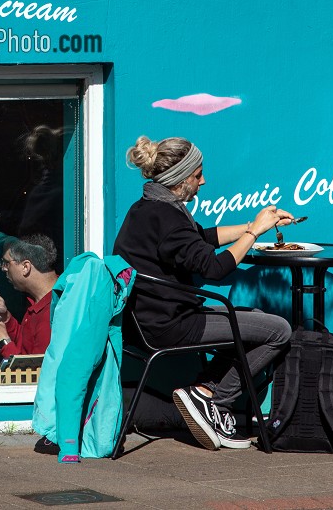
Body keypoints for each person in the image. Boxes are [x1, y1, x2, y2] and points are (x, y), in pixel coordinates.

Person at [112, 135, 294, 451]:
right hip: (171, 325)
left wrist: (255, 223)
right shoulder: (168, 217)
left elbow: (202, 238)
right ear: (181, 179)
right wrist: (254, 232)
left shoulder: (148, 207)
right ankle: (211, 398)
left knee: (253, 320)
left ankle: (206, 394)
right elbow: (213, 268)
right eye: (198, 174)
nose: (203, 180)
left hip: (147, 321)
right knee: (278, 330)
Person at [0, 234, 60, 358]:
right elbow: (28, 344)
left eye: (6, 263)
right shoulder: (40, 301)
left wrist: (1, 340)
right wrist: (5, 317)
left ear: (26, 267)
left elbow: (35, 371)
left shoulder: (55, 310)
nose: (3, 269)